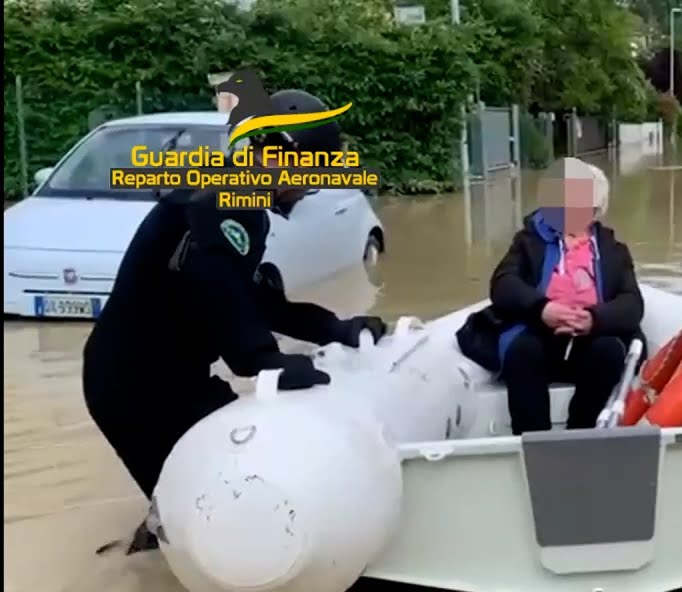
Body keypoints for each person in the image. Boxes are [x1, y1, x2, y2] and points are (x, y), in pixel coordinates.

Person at [83, 88, 387, 553]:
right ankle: (142, 568)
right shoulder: (220, 201)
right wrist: (263, 360)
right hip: (135, 387)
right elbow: (215, 285)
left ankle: (146, 552)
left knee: (217, 482)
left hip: (171, 377)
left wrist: (337, 329)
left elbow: (256, 300)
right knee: (198, 507)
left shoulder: (239, 202)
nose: (309, 189)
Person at [455, 157, 644, 435]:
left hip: (590, 337)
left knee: (609, 352)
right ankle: (534, 440)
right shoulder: (529, 240)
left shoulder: (614, 250)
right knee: (522, 351)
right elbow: (503, 283)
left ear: (596, 210)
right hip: (537, 331)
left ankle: (581, 434)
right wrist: (542, 309)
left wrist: (593, 319)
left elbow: (632, 303)